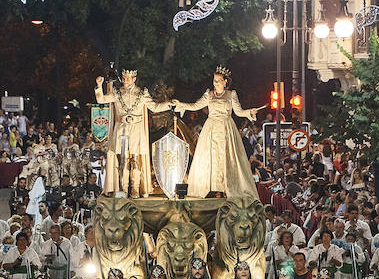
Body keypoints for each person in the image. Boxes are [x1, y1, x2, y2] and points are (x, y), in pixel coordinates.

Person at [174, 66, 264, 198]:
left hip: (226, 128)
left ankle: (226, 187)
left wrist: (249, 112)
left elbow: (238, 111)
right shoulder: (209, 95)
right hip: (211, 129)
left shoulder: (231, 95)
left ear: (225, 81)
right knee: (210, 158)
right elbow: (196, 105)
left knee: (227, 158)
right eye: (214, 80)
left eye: (219, 80)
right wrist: (182, 104)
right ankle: (212, 187)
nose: (216, 83)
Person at [95, 70, 171, 197]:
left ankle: (135, 187)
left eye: (128, 79)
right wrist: (99, 86)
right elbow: (101, 100)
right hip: (121, 128)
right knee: (122, 160)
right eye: (124, 78)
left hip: (136, 129)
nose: (125, 81)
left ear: (134, 79)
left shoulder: (142, 94)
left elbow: (154, 107)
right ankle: (123, 188)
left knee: (135, 159)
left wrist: (168, 105)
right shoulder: (117, 93)